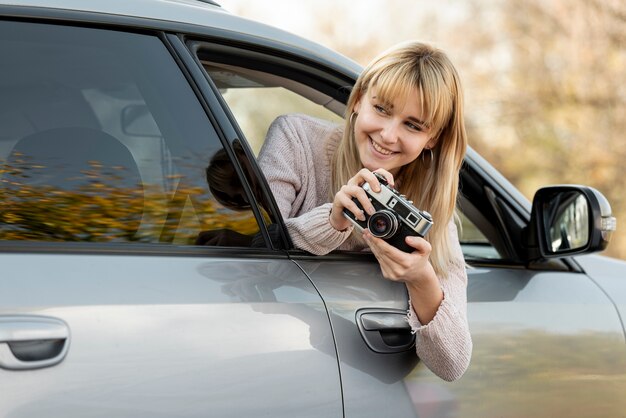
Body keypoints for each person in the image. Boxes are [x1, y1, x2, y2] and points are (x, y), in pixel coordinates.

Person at [257, 41, 472, 381]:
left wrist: (420, 278)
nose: (388, 136)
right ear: (358, 99)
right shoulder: (297, 140)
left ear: (432, 138)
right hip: (267, 357)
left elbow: (452, 366)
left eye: (413, 126)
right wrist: (332, 220)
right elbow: (249, 261)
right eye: (382, 109)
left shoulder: (429, 212)